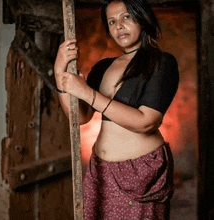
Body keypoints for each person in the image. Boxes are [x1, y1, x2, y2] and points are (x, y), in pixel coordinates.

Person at [54, 0, 179, 219]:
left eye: (126, 17)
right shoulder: (103, 67)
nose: (118, 25)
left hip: (140, 175)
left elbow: (146, 122)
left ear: (142, 18)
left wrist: (87, 93)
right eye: (112, 22)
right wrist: (59, 70)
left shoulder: (161, 62)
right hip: (101, 172)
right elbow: (81, 117)